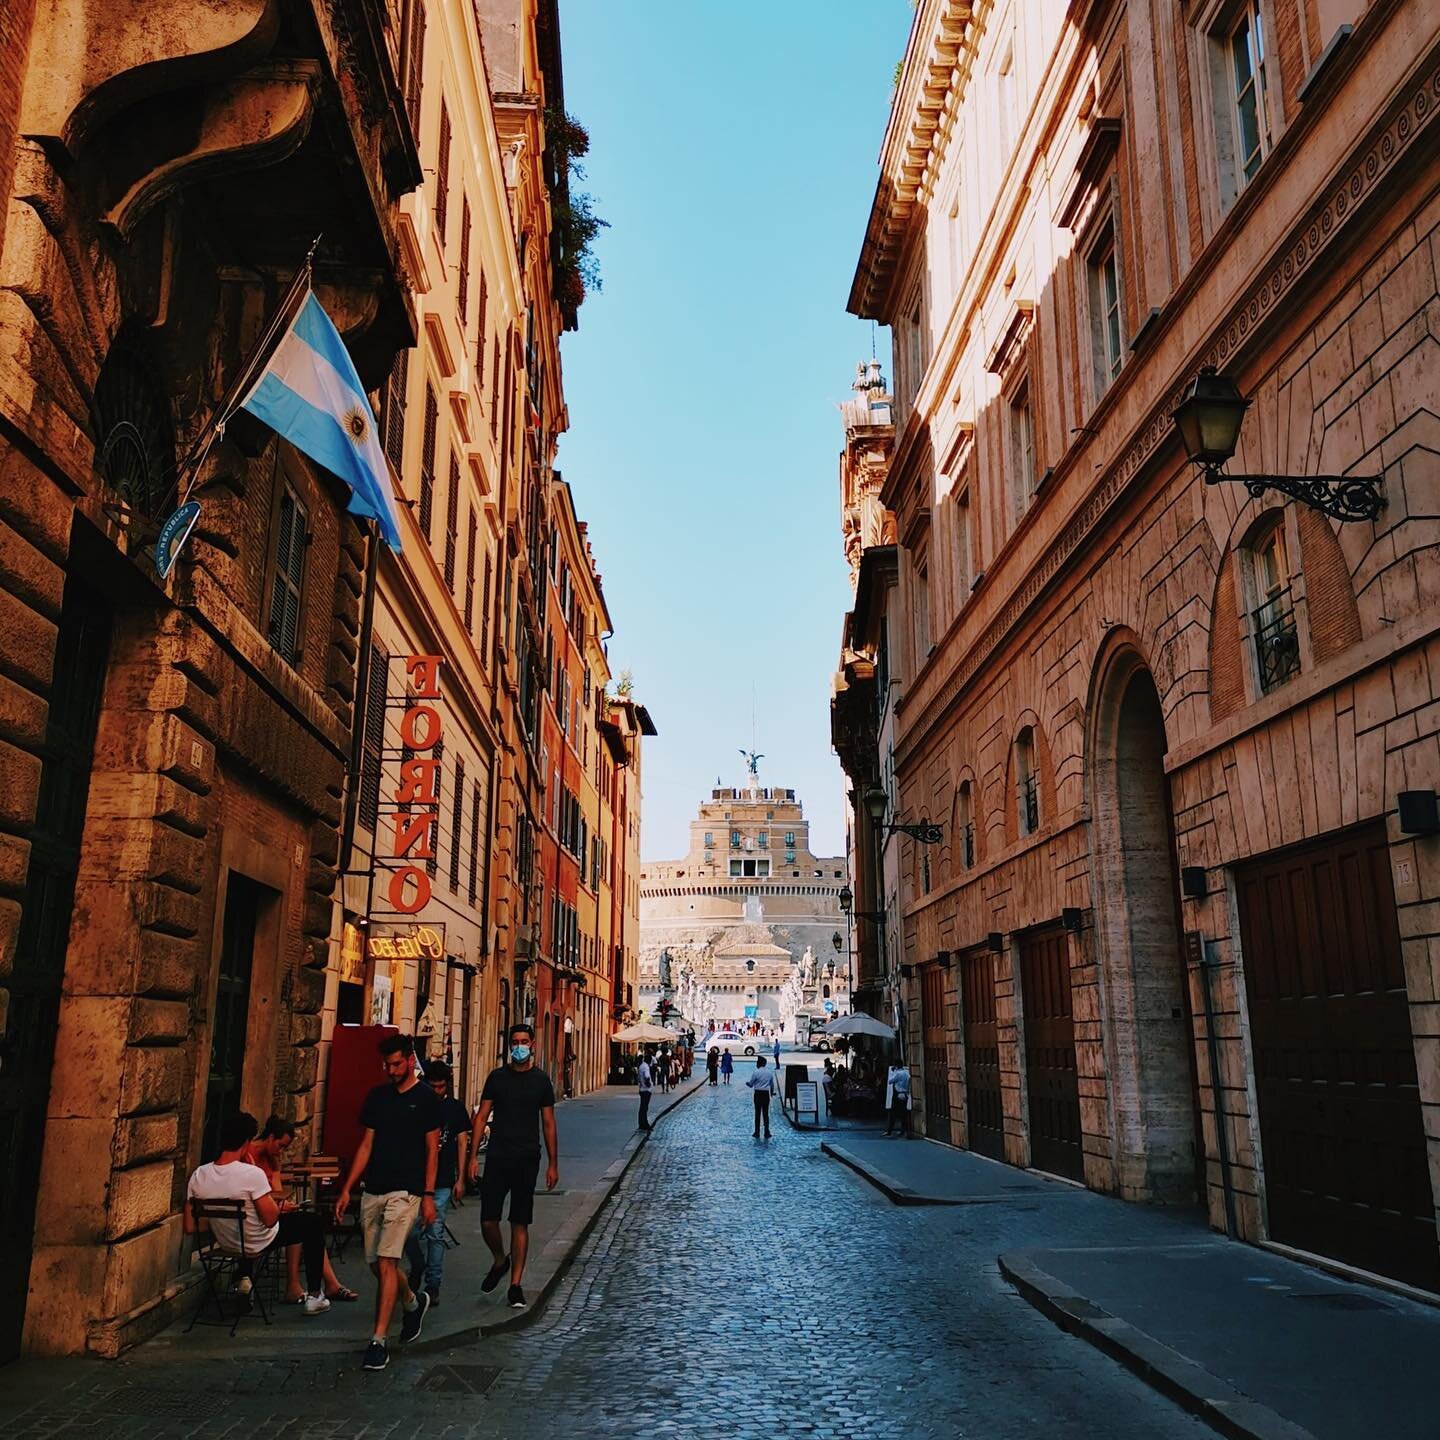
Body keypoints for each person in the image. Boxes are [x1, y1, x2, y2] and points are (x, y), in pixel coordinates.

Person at [334, 1033, 441, 1372]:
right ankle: (412, 1302)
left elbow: (432, 1150)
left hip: (406, 1191)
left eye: (396, 1064)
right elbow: (366, 1145)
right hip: (373, 1188)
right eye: (387, 1065)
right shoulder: (377, 1097)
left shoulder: (426, 1099)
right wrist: (347, 1187)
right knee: (376, 1265)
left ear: (410, 1060)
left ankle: (378, 1340)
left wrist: (427, 1196)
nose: (391, 1070)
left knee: (386, 1260)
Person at [186, 1110, 330, 1314]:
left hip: (227, 1242)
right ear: (246, 1142)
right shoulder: (252, 1174)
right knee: (312, 1223)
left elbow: (192, 1227)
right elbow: (271, 1220)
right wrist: (278, 1206)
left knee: (248, 1227)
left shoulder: (198, 1175)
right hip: (257, 1241)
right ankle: (315, 1295)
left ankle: (244, 1279)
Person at [467, 1023, 559, 1311]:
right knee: (488, 1220)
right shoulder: (496, 1078)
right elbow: (481, 1117)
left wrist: (553, 1163)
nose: (519, 1046)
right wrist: (472, 1156)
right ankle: (499, 1259)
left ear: (532, 1044)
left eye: (524, 1041)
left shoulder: (541, 1081)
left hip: (527, 1157)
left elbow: (548, 1123)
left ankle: (515, 1285)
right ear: (510, 1045)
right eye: (515, 1042)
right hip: (496, 1157)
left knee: (520, 1222)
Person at [245, 1114, 357, 1304]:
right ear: (271, 1137)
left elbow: (278, 1192)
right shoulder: (249, 1157)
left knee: (301, 1221)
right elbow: (253, 1193)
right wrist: (278, 1203)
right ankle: (316, 1286)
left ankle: (303, 1285)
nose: (281, 1151)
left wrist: (283, 1204)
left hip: (269, 1213)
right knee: (306, 1226)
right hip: (257, 1221)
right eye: (281, 1146)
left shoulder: (272, 1160)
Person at [403, 1061, 471, 1306]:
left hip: (442, 1181)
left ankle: (433, 1284)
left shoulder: (454, 1109)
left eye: (441, 1087)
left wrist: (460, 1178)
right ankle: (418, 1264)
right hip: (414, 1180)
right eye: (432, 1087)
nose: (437, 1092)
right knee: (408, 1233)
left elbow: (463, 1142)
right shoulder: (416, 1106)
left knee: (435, 1233)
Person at [746, 1055, 776, 1138]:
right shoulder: (769, 1073)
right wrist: (771, 1093)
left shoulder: (756, 1073)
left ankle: (757, 1132)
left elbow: (751, 1084)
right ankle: (767, 1132)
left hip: (758, 1094)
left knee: (757, 1113)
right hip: (766, 1094)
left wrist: (748, 1084)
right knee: (766, 1114)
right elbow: (772, 1085)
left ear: (759, 1063)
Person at [885, 1060, 913, 1138]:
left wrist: (893, 1072)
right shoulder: (907, 1073)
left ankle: (889, 1130)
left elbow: (890, 1081)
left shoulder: (897, 1073)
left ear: (896, 1066)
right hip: (905, 1094)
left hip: (898, 1094)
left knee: (892, 1113)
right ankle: (903, 1130)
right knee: (903, 1114)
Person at [637, 1048, 655, 1132]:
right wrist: (649, 1084)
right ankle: (644, 1124)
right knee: (644, 1108)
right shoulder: (646, 1067)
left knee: (642, 1108)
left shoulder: (641, 1066)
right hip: (646, 1090)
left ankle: (641, 1123)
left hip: (642, 1089)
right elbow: (647, 1077)